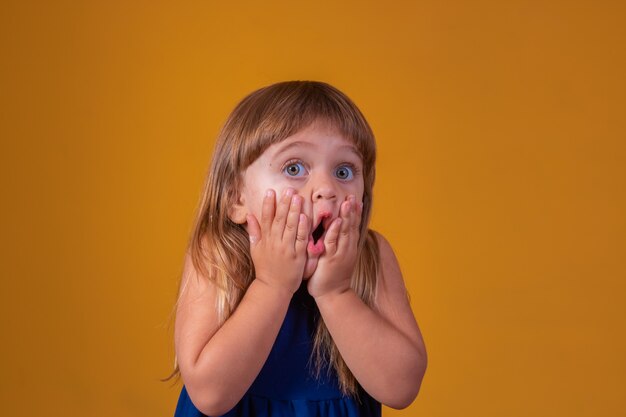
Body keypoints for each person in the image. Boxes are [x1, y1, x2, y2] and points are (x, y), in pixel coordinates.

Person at [171, 81, 427, 417]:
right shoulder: (217, 254)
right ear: (237, 197)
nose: (326, 189)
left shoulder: (370, 257)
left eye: (344, 171)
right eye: (294, 168)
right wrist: (272, 285)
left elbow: (402, 387)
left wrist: (335, 292)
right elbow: (209, 394)